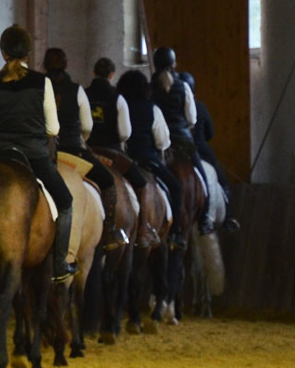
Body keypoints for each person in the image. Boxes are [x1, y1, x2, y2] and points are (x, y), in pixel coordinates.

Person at [0, 25, 75, 282]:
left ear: (2, 53)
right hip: (34, 157)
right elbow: (53, 128)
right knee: (65, 203)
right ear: (28, 53)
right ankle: (59, 263)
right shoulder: (43, 83)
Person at [43, 48, 128, 250]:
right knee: (107, 181)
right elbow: (87, 126)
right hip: (72, 151)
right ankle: (108, 232)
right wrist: (82, 140)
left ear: (44, 65)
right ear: (66, 65)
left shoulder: (37, 88)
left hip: (43, 154)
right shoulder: (76, 90)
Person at [85, 57, 158, 246]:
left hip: (87, 151)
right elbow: (125, 133)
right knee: (142, 184)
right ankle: (142, 231)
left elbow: (83, 126)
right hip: (111, 152)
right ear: (111, 75)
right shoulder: (117, 98)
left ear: (94, 73)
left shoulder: (83, 94)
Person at [118, 68, 187, 248]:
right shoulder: (152, 109)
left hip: (120, 159)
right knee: (176, 187)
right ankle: (175, 233)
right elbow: (163, 142)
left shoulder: (119, 104)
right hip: (146, 159)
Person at [151, 46, 214, 234]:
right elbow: (191, 119)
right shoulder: (183, 86)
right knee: (202, 178)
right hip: (182, 141)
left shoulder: (149, 87)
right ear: (173, 64)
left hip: (158, 142)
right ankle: (204, 219)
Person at [178, 69, 240, 232]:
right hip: (199, 148)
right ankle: (228, 217)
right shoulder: (200, 106)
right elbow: (210, 133)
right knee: (222, 179)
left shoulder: (172, 105)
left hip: (177, 148)